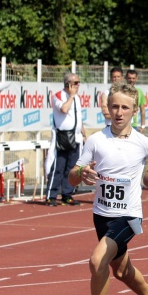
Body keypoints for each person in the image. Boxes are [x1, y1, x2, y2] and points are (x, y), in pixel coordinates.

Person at [68, 82, 148, 295]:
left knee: (97, 260)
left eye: (125, 107)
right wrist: (82, 174)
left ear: (135, 110)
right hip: (102, 215)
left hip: (129, 217)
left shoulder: (144, 143)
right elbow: (72, 176)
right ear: (107, 109)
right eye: (114, 107)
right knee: (121, 270)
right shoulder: (96, 141)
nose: (119, 112)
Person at [45, 72, 86, 206]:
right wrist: (71, 96)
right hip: (62, 137)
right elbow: (63, 109)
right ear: (68, 84)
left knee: (72, 168)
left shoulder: (77, 98)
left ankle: (67, 194)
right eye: (75, 83)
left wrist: (84, 134)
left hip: (76, 136)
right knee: (58, 167)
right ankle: (51, 195)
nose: (78, 85)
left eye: (78, 83)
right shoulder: (59, 96)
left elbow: (78, 118)